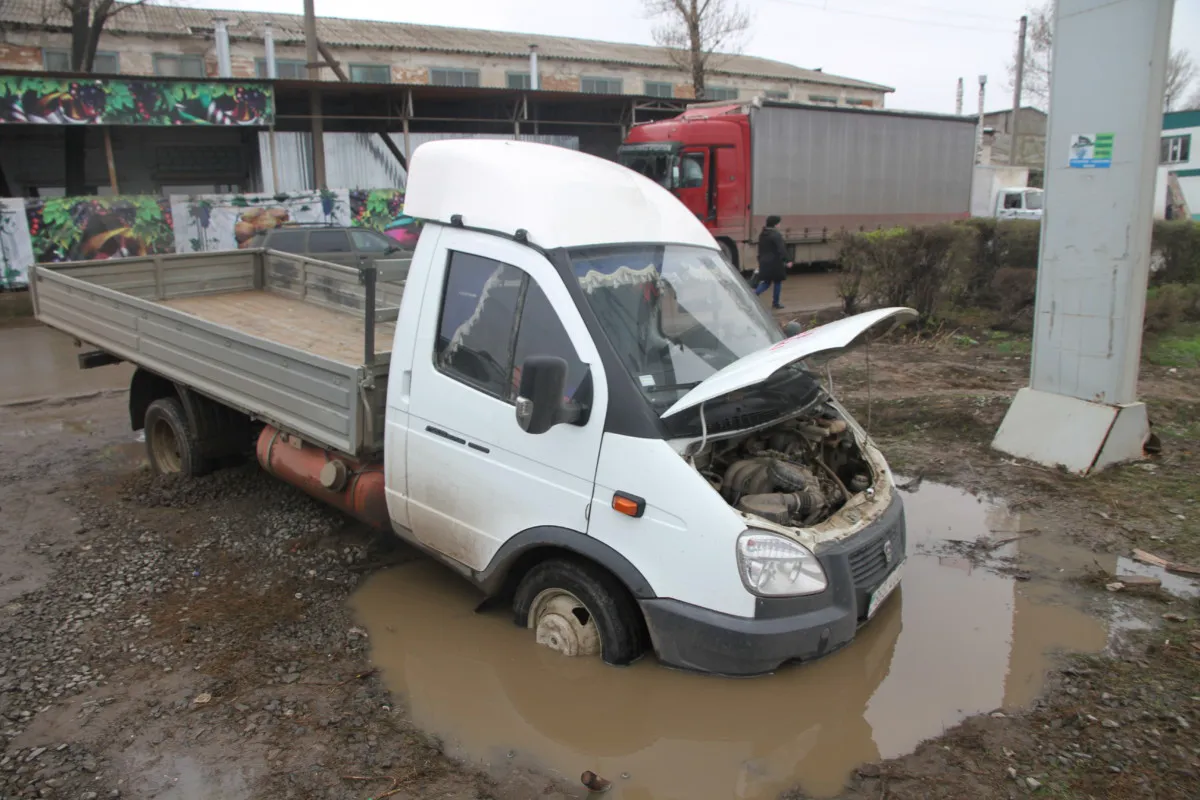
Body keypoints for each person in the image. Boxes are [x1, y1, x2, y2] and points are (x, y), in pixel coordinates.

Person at [755, 215, 792, 309]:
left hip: (764, 261)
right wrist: (788, 260)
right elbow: (781, 249)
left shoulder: (762, 234)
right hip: (775, 262)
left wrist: (759, 260)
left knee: (766, 282)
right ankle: (776, 303)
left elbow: (760, 249)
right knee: (777, 282)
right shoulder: (776, 235)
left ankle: (754, 295)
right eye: (779, 223)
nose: (780, 225)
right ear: (775, 224)